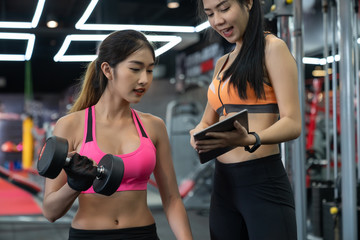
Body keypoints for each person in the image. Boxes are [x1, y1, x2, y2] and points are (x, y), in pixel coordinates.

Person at [42, 30, 193, 240]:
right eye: (135, 69)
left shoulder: (154, 126)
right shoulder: (71, 125)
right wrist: (74, 185)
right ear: (107, 70)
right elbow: (50, 211)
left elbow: (172, 198)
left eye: (149, 70)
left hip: (143, 234)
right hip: (89, 235)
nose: (144, 80)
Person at [190, 0, 301, 239]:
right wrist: (196, 133)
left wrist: (251, 138)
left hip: (262, 181)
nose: (217, 21)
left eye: (224, 8)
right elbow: (206, 121)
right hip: (223, 185)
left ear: (248, 3)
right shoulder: (222, 63)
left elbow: (293, 122)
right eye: (210, 14)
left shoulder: (273, 48)